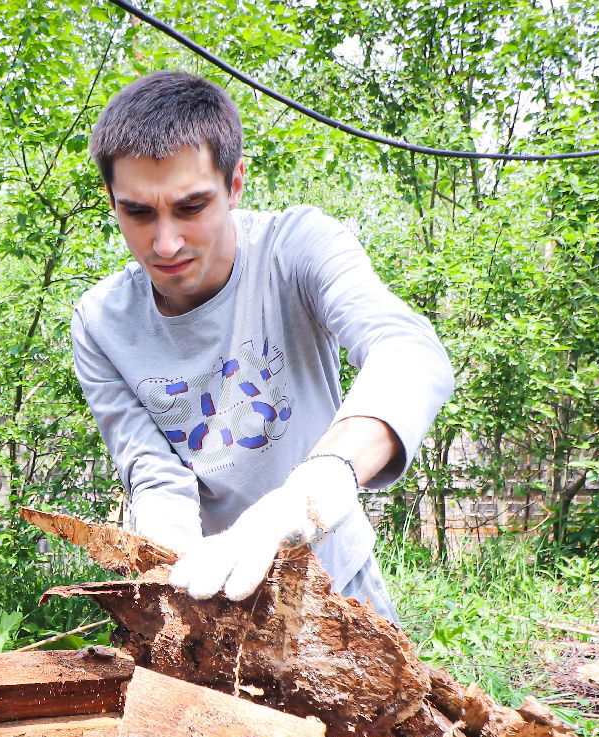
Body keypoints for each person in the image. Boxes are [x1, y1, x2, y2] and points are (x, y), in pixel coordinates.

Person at [71, 71, 453, 619]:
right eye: (138, 212)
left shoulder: (296, 249)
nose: (165, 242)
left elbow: (407, 350)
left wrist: (313, 489)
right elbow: (153, 472)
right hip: (209, 593)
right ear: (111, 201)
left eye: (191, 207)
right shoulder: (100, 324)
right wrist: (177, 579)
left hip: (337, 580)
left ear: (235, 184)